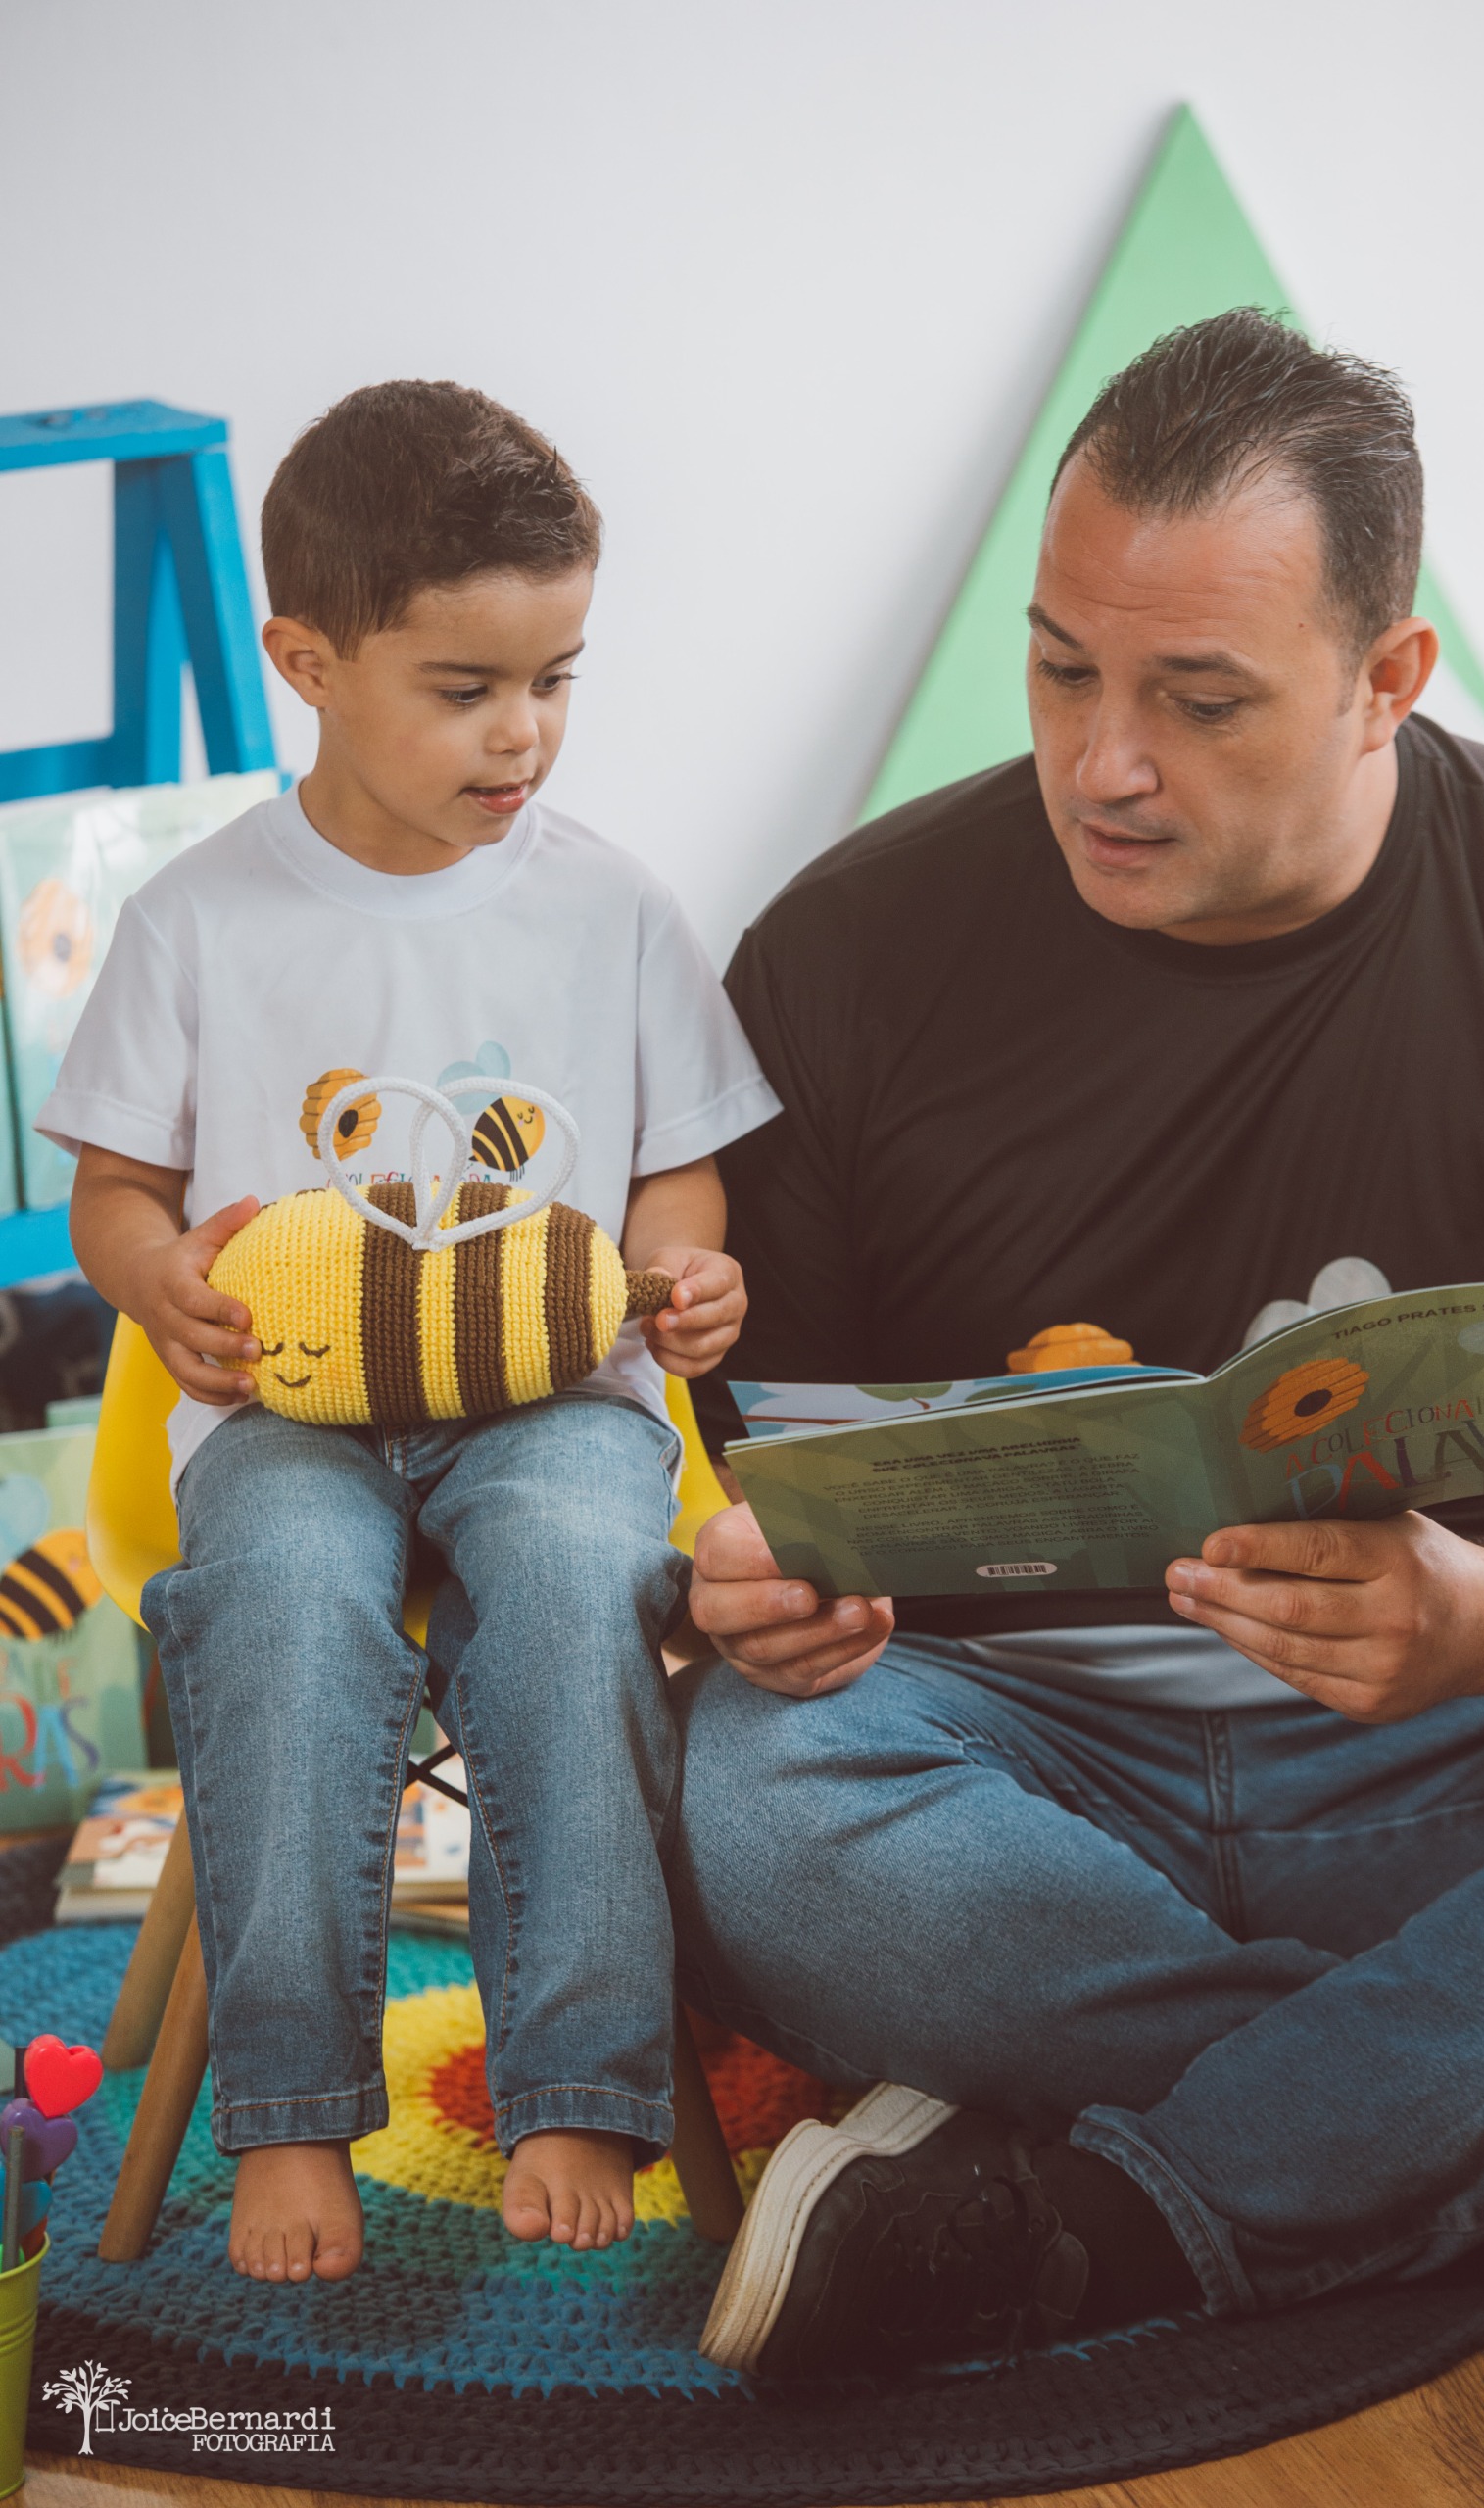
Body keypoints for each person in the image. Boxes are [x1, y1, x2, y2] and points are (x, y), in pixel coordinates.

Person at [671, 310, 1484, 2378]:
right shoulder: (844, 954)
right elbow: (739, 1501)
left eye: (1194, 699)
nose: (1096, 761)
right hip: (1021, 1775)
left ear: (1386, 678)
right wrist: (750, 1591)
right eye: (1057, 667)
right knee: (766, 1794)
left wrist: (1479, 1619)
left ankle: (1106, 2215)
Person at [46, 382, 778, 2284]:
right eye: (465, 686)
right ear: (304, 658)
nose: (520, 730)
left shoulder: (611, 905)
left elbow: (677, 1179)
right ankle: (288, 2105)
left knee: (568, 1587)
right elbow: (111, 1193)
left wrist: (684, 1276)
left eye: (555, 676)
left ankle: (577, 2076)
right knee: (284, 1613)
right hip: (285, 1412)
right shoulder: (200, 919)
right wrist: (157, 1283)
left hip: (555, 1400)